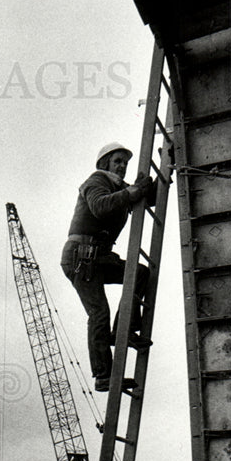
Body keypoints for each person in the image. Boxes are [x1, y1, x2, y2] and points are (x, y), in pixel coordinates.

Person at [61, 142, 155, 393]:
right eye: (117, 161)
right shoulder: (96, 181)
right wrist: (133, 192)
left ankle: (123, 330)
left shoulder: (118, 186)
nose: (123, 166)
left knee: (140, 274)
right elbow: (100, 206)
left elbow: (148, 198)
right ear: (105, 164)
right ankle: (103, 375)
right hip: (81, 257)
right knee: (99, 312)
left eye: (125, 162)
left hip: (99, 256)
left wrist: (161, 172)